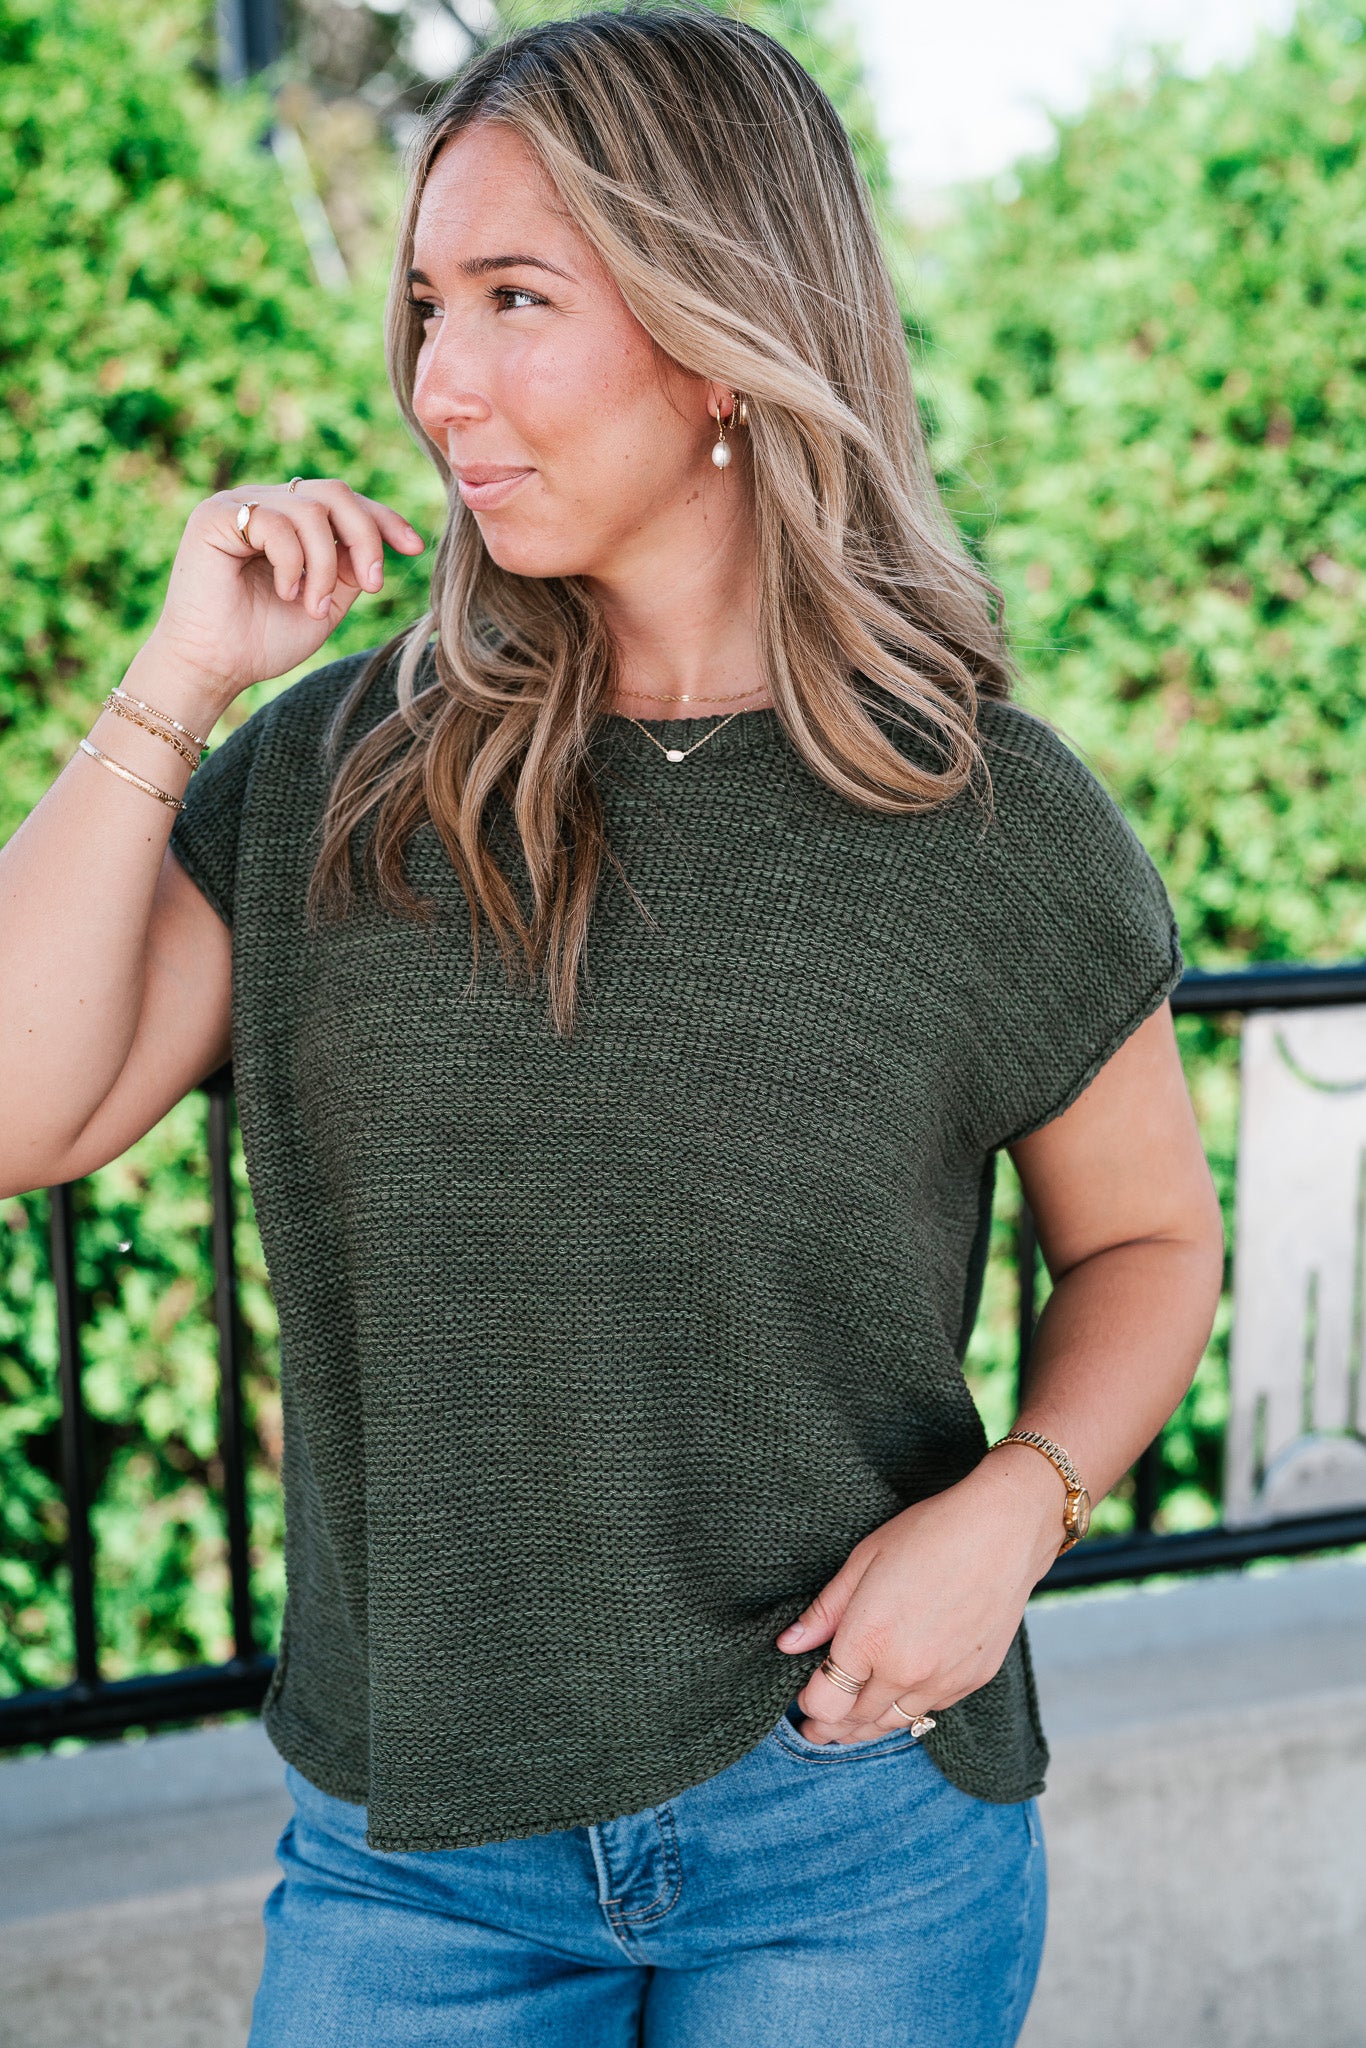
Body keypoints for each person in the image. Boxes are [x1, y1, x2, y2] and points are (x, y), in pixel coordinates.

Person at [0, 9, 1225, 2044]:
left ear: (719, 332)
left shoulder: (979, 817)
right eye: (425, 305)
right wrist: (174, 687)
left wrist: (1023, 1501)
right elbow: (18, 1113)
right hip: (417, 1865)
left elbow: (1151, 1243)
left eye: (514, 299)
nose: (437, 382)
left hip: (850, 1821)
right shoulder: (335, 772)